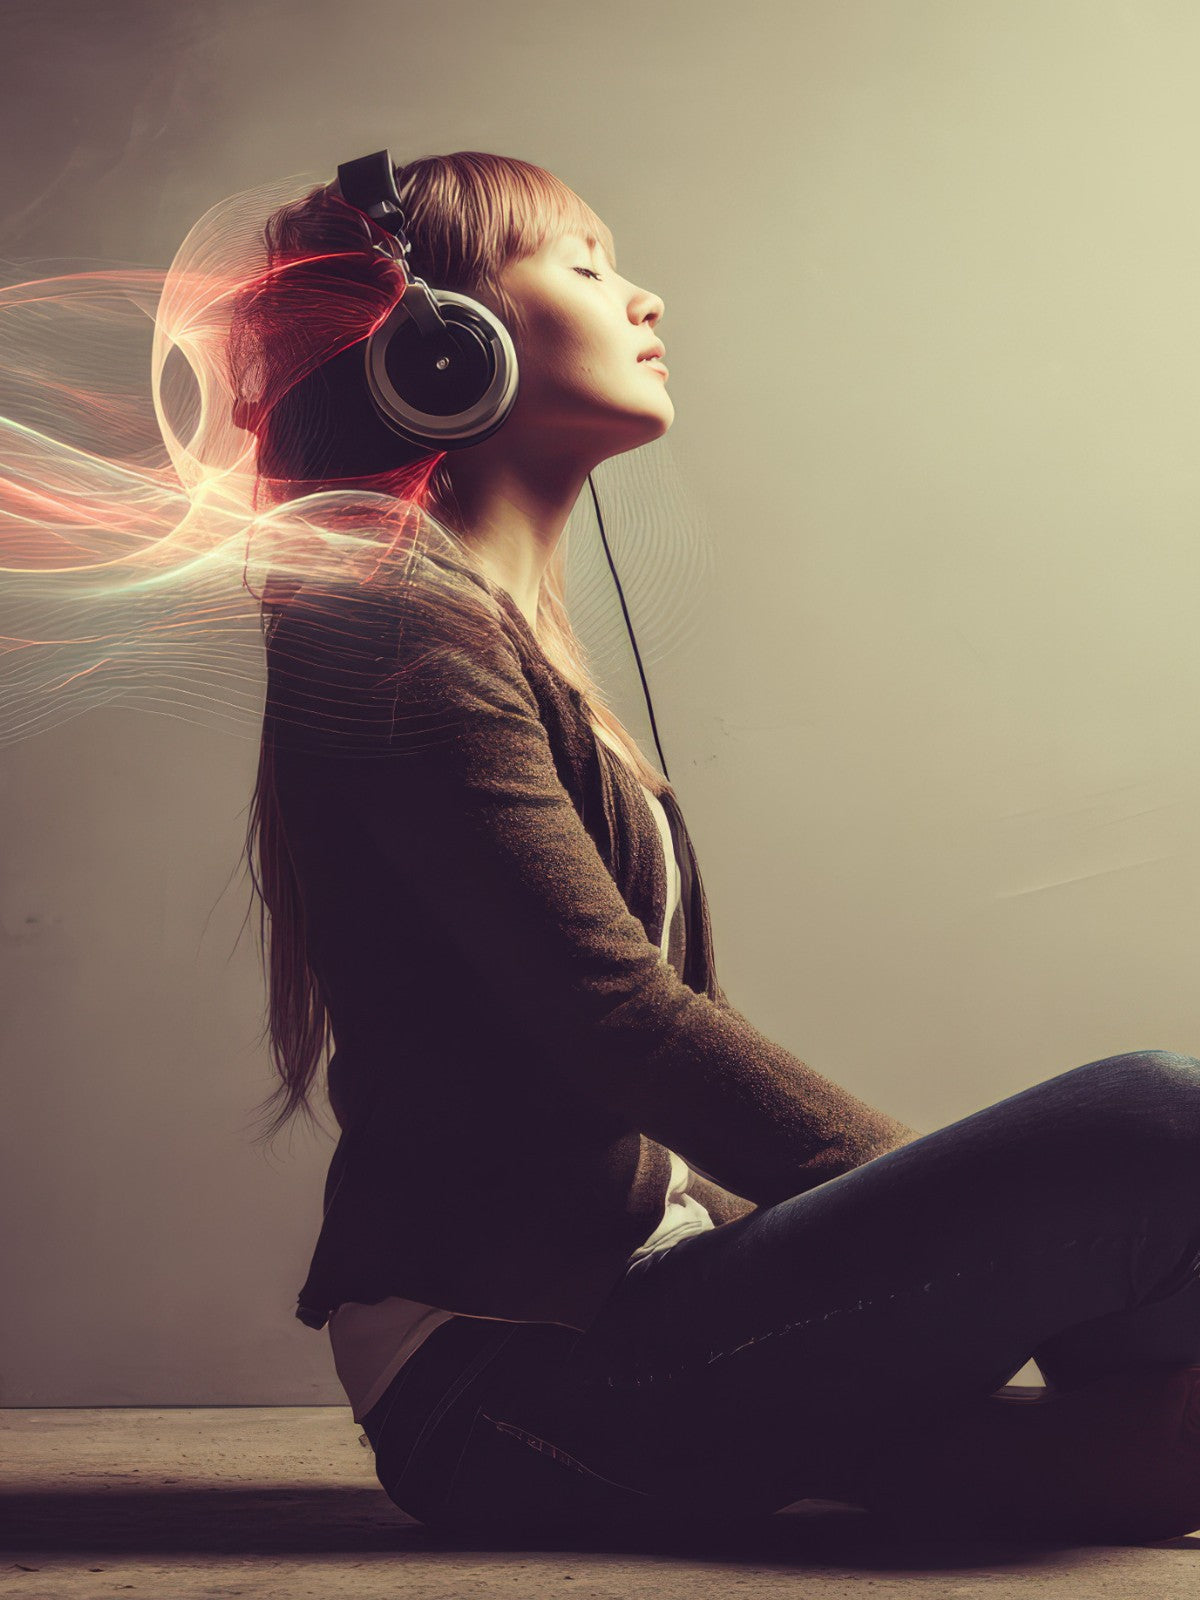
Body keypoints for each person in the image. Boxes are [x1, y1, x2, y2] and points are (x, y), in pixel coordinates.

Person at [232, 150, 1200, 1546]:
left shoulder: (503, 637)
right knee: (1162, 1123)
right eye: (584, 265)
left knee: (1163, 1420)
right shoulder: (388, 623)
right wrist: (979, 1224)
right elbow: (620, 1022)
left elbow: (676, 1023)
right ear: (447, 345)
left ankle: (1081, 1437)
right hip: (511, 1380)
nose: (644, 299)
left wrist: (983, 1245)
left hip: (656, 1322)